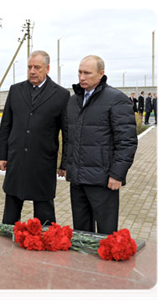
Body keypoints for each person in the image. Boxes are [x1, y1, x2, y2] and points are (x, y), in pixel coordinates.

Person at [62, 55, 137, 234]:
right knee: (81, 233)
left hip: (103, 181)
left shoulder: (116, 99)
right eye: (79, 72)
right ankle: (82, 263)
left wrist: (117, 175)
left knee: (106, 235)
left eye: (87, 73)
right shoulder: (73, 101)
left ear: (101, 74)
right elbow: (68, 137)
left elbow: (126, 141)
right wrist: (66, 165)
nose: (81, 77)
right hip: (78, 180)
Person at [0, 50, 70, 226]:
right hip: (17, 160)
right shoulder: (15, 91)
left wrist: (65, 163)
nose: (32, 71)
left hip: (43, 162)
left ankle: (46, 243)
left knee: (44, 212)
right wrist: (2, 155)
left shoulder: (61, 95)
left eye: (37, 67)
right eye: (29, 67)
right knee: (11, 207)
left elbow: (67, 133)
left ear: (47, 69)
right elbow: (6, 124)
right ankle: (6, 240)